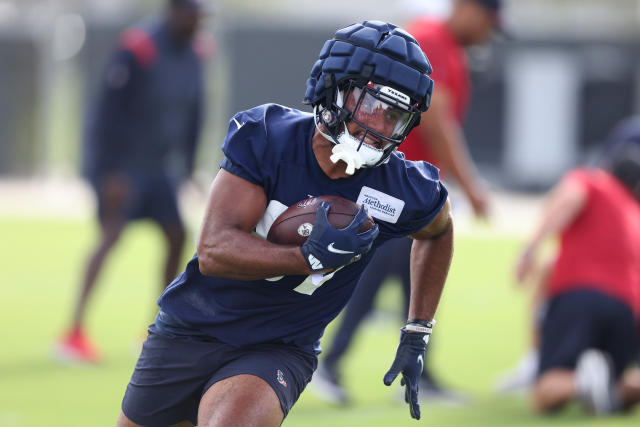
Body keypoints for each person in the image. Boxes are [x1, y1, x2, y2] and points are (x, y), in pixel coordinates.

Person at [116, 20, 454, 426]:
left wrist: (417, 331)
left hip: (279, 346)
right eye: (372, 106)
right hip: (192, 326)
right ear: (335, 89)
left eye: (396, 116)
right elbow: (214, 250)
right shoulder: (267, 137)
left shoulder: (402, 187)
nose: (381, 127)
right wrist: (306, 256)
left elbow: (439, 230)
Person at [311, 0, 501, 405]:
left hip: (408, 188)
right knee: (378, 273)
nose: (490, 31)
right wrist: (471, 187)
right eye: (490, 20)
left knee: (411, 277)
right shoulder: (431, 39)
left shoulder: (449, 48)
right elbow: (438, 124)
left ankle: (416, 371)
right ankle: (326, 363)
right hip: (395, 185)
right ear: (469, 8)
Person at [55, 0, 206, 363]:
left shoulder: (196, 54)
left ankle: (156, 329)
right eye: (192, 15)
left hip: (158, 168)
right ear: (174, 12)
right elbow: (106, 113)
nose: (197, 22)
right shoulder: (139, 47)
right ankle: (72, 334)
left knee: (176, 235)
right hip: (122, 168)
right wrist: (109, 170)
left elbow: (195, 112)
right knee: (111, 236)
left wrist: (187, 168)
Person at [515, 120, 640, 414]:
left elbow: (569, 199)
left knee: (544, 396)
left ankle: (581, 381)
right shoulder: (634, 213)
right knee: (616, 387)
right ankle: (606, 382)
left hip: (580, 295)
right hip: (627, 309)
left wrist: (530, 249)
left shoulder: (592, 181)